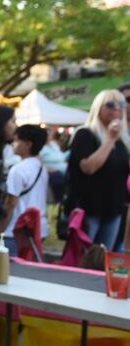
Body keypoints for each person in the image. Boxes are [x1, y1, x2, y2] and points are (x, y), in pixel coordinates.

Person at [65, 90, 130, 251]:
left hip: (114, 209)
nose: (116, 109)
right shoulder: (85, 134)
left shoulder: (123, 140)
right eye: (110, 105)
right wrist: (110, 140)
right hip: (89, 209)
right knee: (84, 258)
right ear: (98, 108)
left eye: (121, 104)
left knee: (103, 260)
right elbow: (89, 167)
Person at [0, 124, 50, 255]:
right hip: (38, 228)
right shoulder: (41, 168)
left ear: (28, 144)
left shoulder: (18, 170)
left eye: (17, 140)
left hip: (17, 230)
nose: (13, 144)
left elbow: (10, 203)